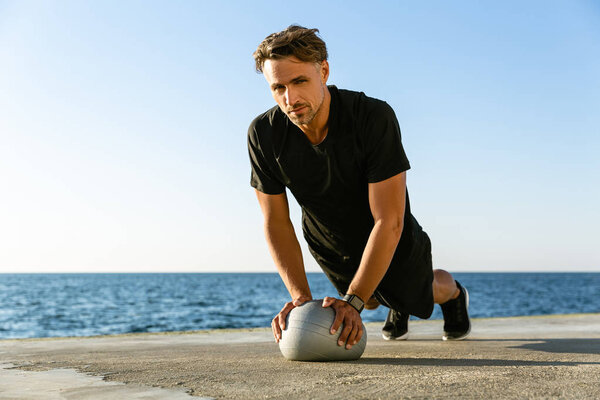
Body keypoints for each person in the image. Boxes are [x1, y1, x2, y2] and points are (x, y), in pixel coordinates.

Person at [247, 25, 471, 350]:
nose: (290, 98)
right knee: (369, 301)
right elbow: (275, 221)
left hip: (392, 235)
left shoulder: (372, 117)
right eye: (278, 87)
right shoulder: (263, 135)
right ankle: (383, 300)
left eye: (299, 82)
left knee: (414, 295)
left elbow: (389, 221)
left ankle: (453, 294)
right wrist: (300, 300)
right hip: (330, 241)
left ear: (323, 70)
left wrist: (353, 300)